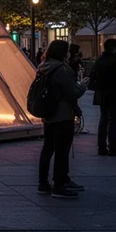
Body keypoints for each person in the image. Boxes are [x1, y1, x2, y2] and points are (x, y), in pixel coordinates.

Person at [36, 40, 86, 199]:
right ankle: (59, 185)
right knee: (62, 150)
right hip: (63, 114)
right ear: (63, 53)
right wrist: (83, 86)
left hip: (48, 113)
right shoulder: (61, 70)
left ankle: (43, 183)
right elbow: (72, 92)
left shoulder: (42, 67)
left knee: (48, 148)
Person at [91, 38, 116, 156]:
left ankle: (101, 146)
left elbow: (92, 77)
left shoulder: (99, 61)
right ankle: (113, 146)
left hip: (101, 95)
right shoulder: (114, 62)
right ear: (113, 49)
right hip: (113, 95)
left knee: (103, 120)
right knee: (113, 121)